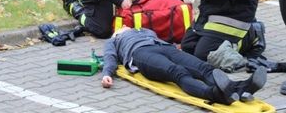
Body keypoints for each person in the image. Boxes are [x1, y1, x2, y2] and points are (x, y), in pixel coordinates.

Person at [101, 27, 267, 104]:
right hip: (141, 54)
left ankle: (242, 87)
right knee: (177, 71)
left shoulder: (144, 30)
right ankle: (214, 94)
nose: (122, 27)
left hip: (165, 47)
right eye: (118, 28)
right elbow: (109, 57)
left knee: (203, 67)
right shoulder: (114, 40)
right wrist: (107, 74)